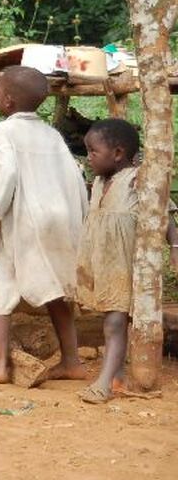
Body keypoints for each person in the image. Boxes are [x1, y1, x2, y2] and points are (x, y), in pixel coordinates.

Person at [0, 65, 87, 384]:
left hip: (24, 218)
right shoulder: (52, 134)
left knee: (2, 281)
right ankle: (72, 361)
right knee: (59, 287)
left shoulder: (2, 132)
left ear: (7, 101)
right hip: (61, 218)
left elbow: (5, 174)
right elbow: (75, 177)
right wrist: (81, 218)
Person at [77, 118, 178, 403]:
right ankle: (118, 374)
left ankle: (104, 383)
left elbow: (165, 213)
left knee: (115, 323)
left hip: (125, 264)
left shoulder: (137, 179)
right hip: (104, 264)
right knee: (112, 320)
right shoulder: (98, 182)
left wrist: (175, 246)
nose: (88, 158)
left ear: (118, 154)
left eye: (93, 152)